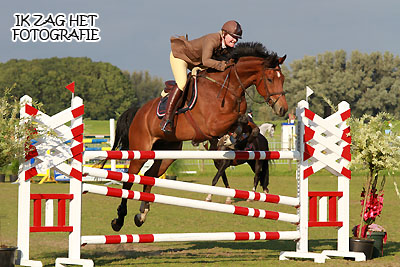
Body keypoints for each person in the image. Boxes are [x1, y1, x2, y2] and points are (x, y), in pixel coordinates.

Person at [160, 20, 243, 133]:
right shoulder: (212, 39)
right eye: (233, 37)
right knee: (182, 82)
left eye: (237, 38)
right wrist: (223, 65)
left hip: (196, 63)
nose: (235, 40)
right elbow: (206, 60)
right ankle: (167, 119)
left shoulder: (228, 47)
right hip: (181, 57)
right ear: (224, 33)